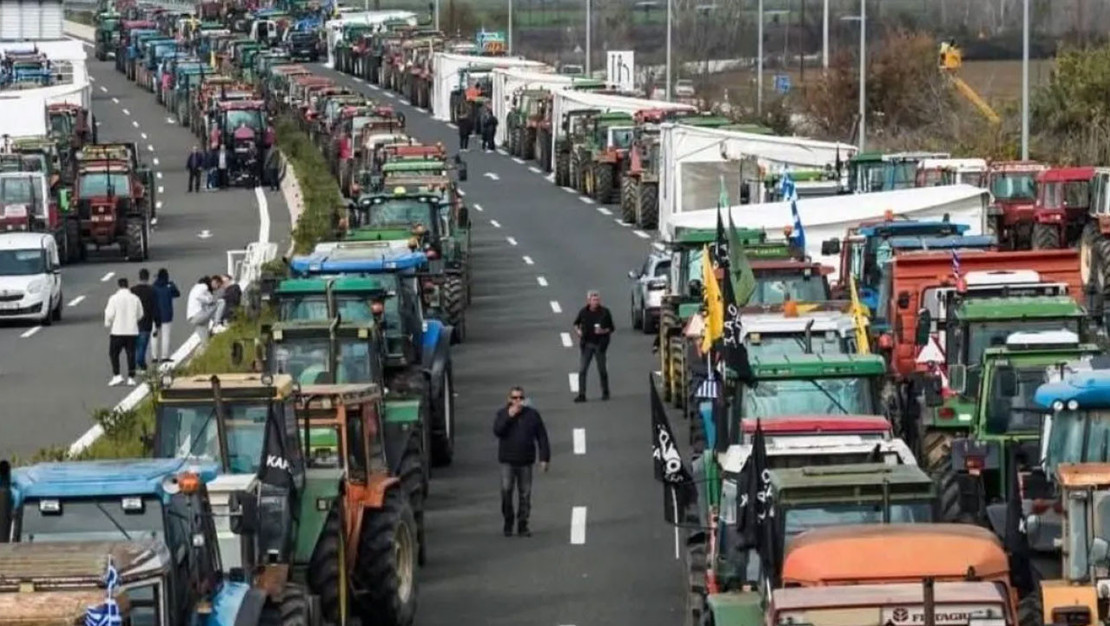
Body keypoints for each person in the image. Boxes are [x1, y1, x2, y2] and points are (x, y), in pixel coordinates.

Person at [492, 387, 550, 537]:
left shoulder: (532, 415)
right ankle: (508, 521)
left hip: (525, 461)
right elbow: (498, 430)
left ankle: (523, 524)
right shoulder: (502, 414)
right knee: (506, 491)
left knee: (525, 494)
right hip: (507, 461)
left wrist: (544, 458)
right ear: (509, 399)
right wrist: (509, 416)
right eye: (514, 398)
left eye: (520, 398)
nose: (518, 401)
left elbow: (542, 436)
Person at [573, 290, 615, 402]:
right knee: (582, 370)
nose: (595, 302)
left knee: (602, 369)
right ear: (588, 301)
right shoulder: (583, 312)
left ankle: (605, 392)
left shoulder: (605, 312)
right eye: (593, 300)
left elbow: (611, 328)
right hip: (587, 344)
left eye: (597, 299)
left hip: (600, 345)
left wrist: (603, 331)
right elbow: (576, 324)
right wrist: (578, 332)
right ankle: (582, 394)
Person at [103, 277, 144, 387]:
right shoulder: (135, 298)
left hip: (117, 331)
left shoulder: (114, 298)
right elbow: (140, 314)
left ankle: (117, 375)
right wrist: (134, 320)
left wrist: (108, 323)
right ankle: (131, 376)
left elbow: (109, 313)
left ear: (119, 285)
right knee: (131, 354)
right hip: (132, 331)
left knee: (114, 353)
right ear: (127, 285)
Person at [151, 268, 180, 364]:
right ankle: (164, 356)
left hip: (154, 314)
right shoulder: (169, 286)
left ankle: (154, 357)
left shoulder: (153, 287)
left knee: (154, 335)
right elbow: (177, 293)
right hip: (167, 315)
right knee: (165, 336)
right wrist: (171, 284)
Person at [131, 269, 157, 372]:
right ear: (148, 277)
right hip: (146, 322)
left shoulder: (132, 290)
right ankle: (140, 363)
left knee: (135, 345)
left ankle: (138, 364)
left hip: (133, 322)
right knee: (142, 345)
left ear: (139, 277)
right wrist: (157, 322)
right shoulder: (152, 291)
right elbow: (155, 307)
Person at [186, 276, 217, 345]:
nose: (216, 288)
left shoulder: (196, 287)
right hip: (198, 315)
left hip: (192, 318)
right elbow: (198, 296)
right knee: (219, 304)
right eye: (217, 285)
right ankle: (217, 323)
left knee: (205, 342)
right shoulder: (204, 286)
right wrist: (208, 300)